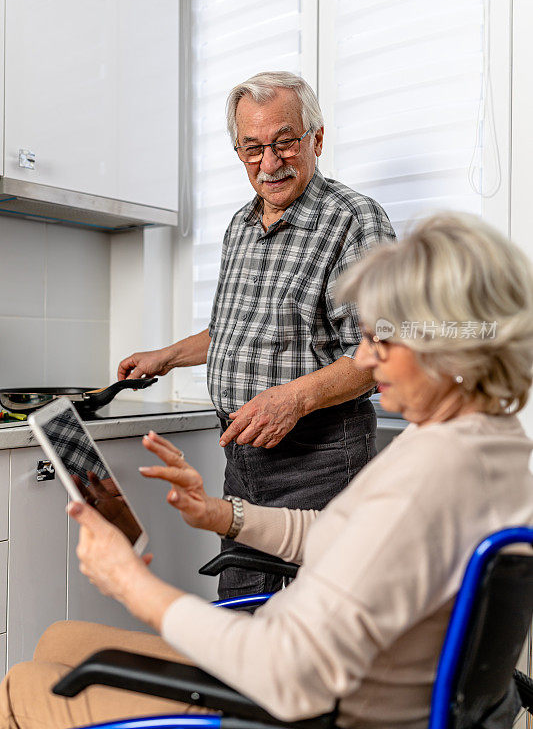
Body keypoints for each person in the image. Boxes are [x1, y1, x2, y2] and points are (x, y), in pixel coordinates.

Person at [3, 212, 533, 729]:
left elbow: (286, 671)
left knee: (20, 684)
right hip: (312, 672)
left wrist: (130, 583)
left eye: (381, 341)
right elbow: (349, 538)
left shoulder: (429, 478)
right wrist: (223, 515)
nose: (365, 360)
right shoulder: (488, 442)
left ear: (451, 348)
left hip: (290, 701)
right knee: (58, 642)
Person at [118, 71, 396, 598]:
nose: (269, 163)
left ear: (316, 138)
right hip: (243, 460)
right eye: (253, 148)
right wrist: (168, 356)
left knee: (314, 625)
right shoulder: (240, 226)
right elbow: (236, 331)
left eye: (285, 143)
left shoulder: (355, 220)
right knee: (242, 612)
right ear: (238, 151)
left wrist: (293, 398)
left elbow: (380, 352)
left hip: (320, 461)